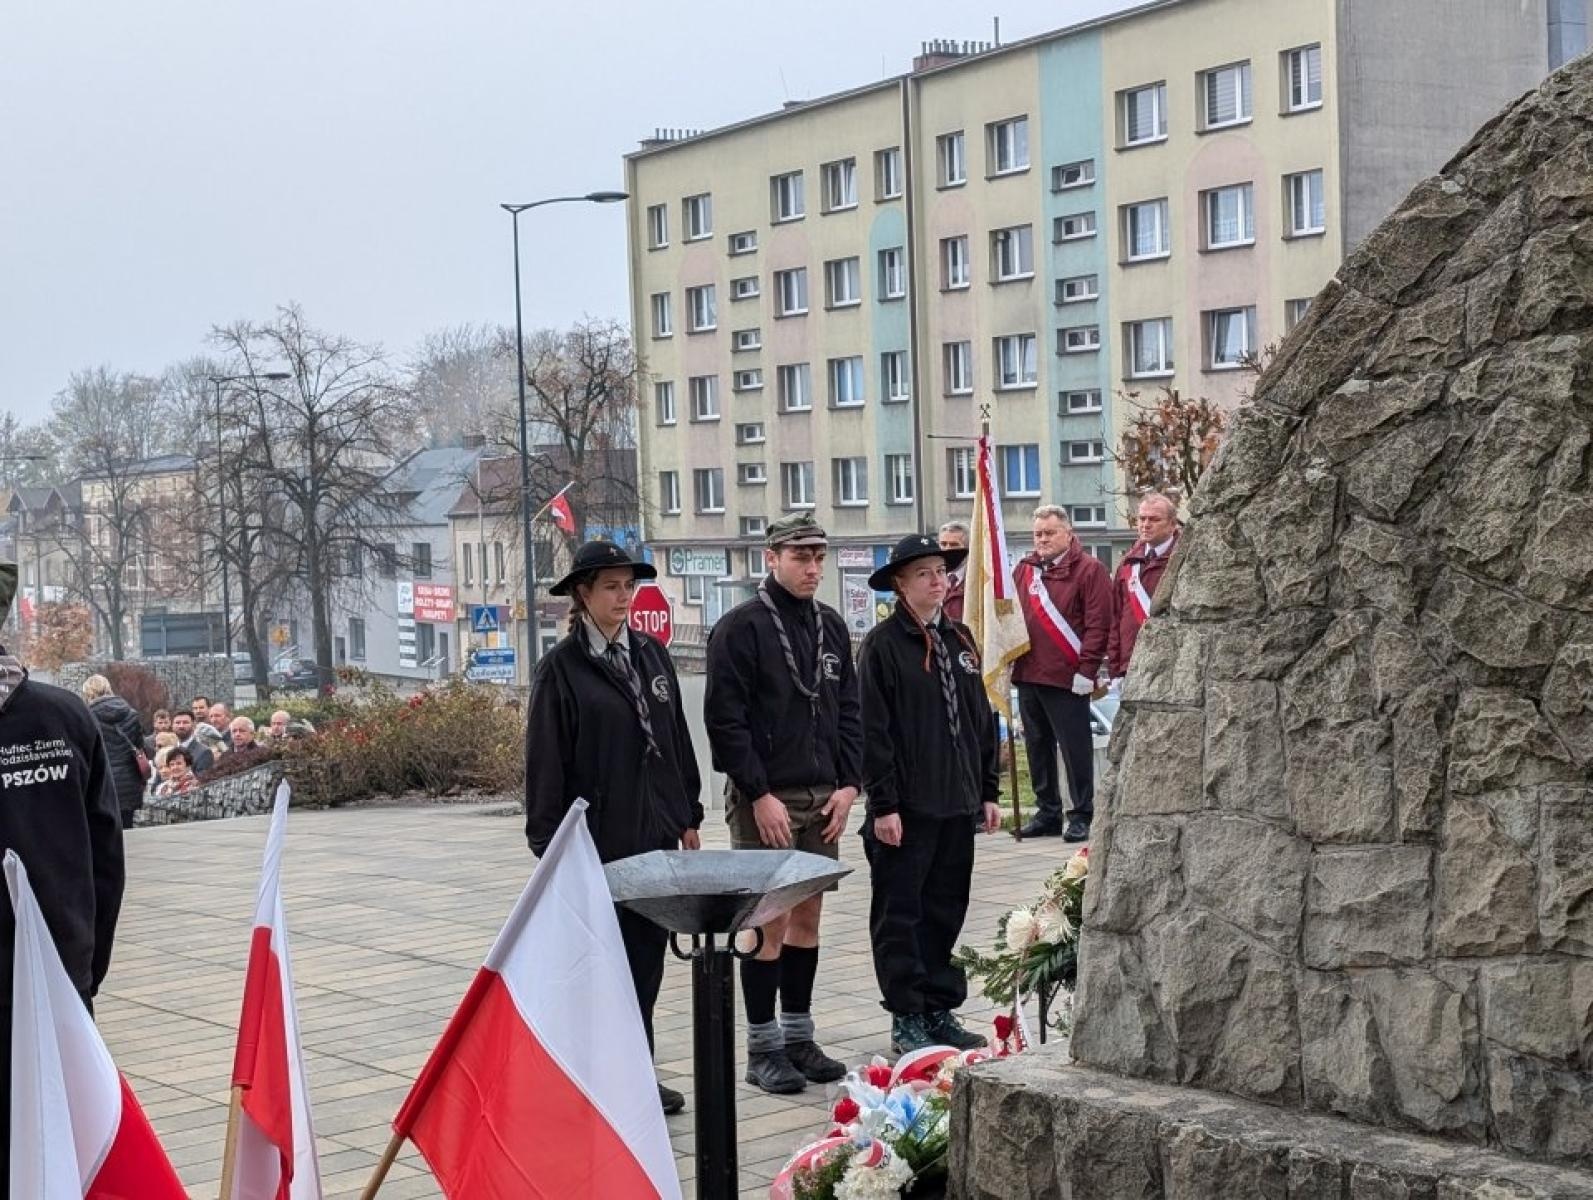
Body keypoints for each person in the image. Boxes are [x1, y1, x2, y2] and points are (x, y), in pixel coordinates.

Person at [523, 540, 703, 1117]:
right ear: (583, 593)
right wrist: (552, 847)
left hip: (655, 838)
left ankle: (636, 1073)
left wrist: (688, 813)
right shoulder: (562, 670)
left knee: (645, 962)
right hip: (597, 844)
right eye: (611, 587)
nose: (624, 597)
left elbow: (675, 740)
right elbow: (545, 764)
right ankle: (600, 1082)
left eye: (630, 586)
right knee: (604, 968)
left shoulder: (651, 654)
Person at [704, 513, 862, 1095]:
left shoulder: (830, 625)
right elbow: (726, 722)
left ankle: (799, 1035)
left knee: (807, 919)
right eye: (800, 556)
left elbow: (850, 710)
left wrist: (849, 786)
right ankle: (763, 1046)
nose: (812, 568)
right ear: (771, 558)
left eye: (819, 556)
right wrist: (758, 793)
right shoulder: (740, 628)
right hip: (766, 797)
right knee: (766, 922)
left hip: (823, 796)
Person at [0, 563, 125, 1180]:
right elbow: (107, 861)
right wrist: (83, 970)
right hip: (58, 983)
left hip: (54, 984)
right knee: (65, 1155)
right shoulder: (66, 716)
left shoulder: (67, 717)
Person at [858, 535, 1000, 1054]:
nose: (938, 581)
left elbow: (980, 719)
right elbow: (874, 731)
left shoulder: (960, 638)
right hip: (908, 808)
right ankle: (907, 1013)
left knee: (945, 908)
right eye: (924, 573)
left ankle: (939, 1006)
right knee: (901, 915)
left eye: (941, 571)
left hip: (955, 803)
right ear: (900, 584)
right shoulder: (883, 645)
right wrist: (884, 804)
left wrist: (987, 789)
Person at [1012, 506, 1113, 841]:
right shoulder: (1025, 570)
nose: (1043, 539)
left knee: (1074, 748)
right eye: (1038, 533)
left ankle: (1082, 813)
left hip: (1068, 676)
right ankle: (1048, 812)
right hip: (1029, 672)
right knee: (1036, 746)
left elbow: (1099, 624)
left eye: (1050, 533)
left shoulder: (1090, 570)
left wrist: (1088, 669)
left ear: (1068, 534)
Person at [1108, 493, 1180, 687]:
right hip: (1131, 665)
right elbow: (1116, 618)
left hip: (1171, 665)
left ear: (1172, 524)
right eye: (1142, 519)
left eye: (1154, 519)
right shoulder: (1128, 563)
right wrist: (1116, 669)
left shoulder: (1184, 560)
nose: (1146, 525)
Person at [80, 675, 147, 830]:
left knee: (102, 830)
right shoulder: (131, 713)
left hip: (102, 781)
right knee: (127, 827)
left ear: (88, 693)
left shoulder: (86, 717)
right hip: (129, 780)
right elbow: (139, 745)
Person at [938, 521, 970, 623]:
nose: (947, 549)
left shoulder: (976, 582)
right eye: (943, 544)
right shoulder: (933, 578)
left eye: (954, 545)